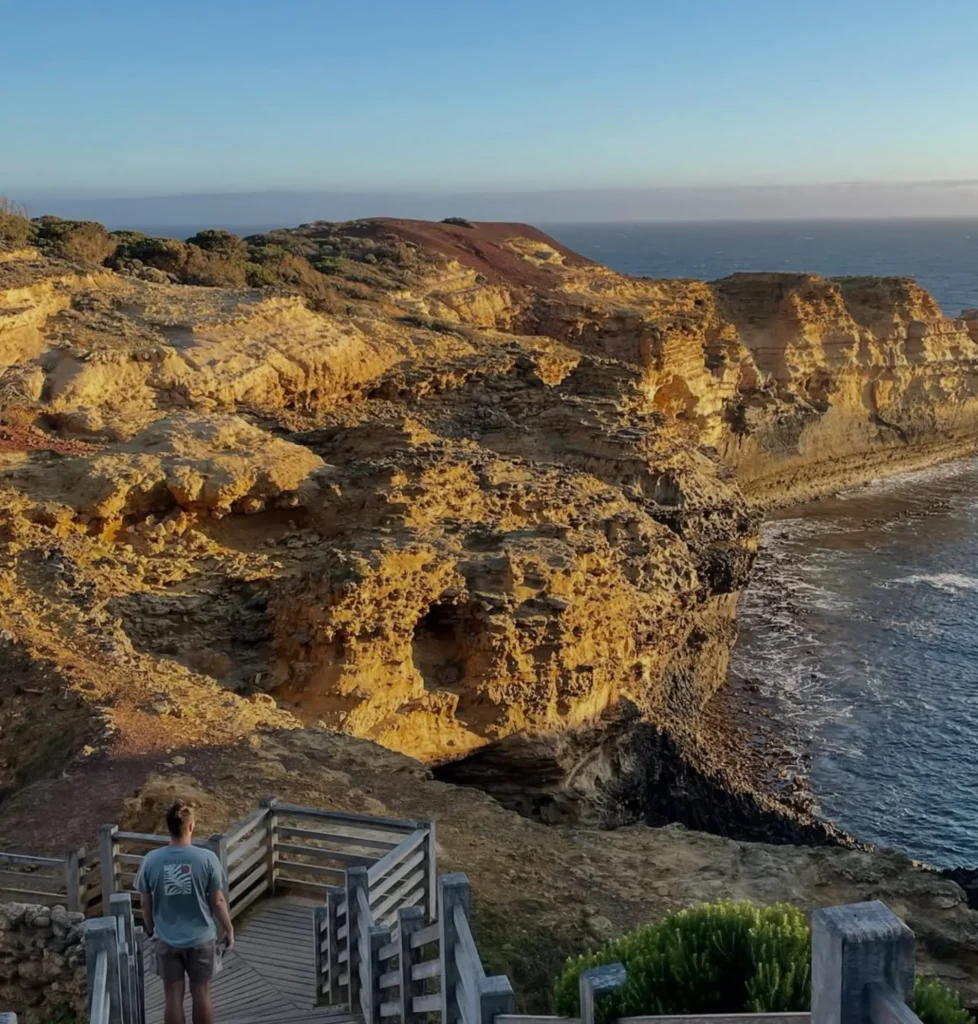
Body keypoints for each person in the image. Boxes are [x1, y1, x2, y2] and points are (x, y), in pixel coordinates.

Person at [135, 801, 234, 1024]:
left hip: (167, 939)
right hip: (201, 939)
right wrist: (228, 929)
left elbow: (145, 902)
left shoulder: (151, 860)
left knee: (172, 997)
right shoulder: (207, 858)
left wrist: (151, 928)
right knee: (201, 993)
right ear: (191, 827)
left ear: (168, 828)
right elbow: (218, 901)